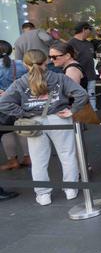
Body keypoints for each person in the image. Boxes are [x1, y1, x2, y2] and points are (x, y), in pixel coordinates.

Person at [0, 49, 88, 206]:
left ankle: (43, 195)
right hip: (59, 119)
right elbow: (81, 94)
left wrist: (23, 113)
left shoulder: (21, 82)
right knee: (67, 155)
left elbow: (3, 103)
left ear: (26, 64)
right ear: (46, 61)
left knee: (39, 160)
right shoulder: (59, 78)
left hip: (33, 123)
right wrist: (72, 110)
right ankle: (71, 190)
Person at [0, 40, 30, 171]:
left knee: (6, 132)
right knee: (22, 129)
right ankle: (28, 157)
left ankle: (12, 161)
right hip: (20, 101)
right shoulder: (20, 64)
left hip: (2, 104)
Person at [68, 22, 98, 110]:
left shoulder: (89, 43)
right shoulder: (71, 44)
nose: (90, 32)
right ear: (84, 29)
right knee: (79, 98)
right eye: (89, 29)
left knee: (92, 96)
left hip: (91, 75)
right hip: (78, 77)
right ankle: (81, 119)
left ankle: (93, 115)